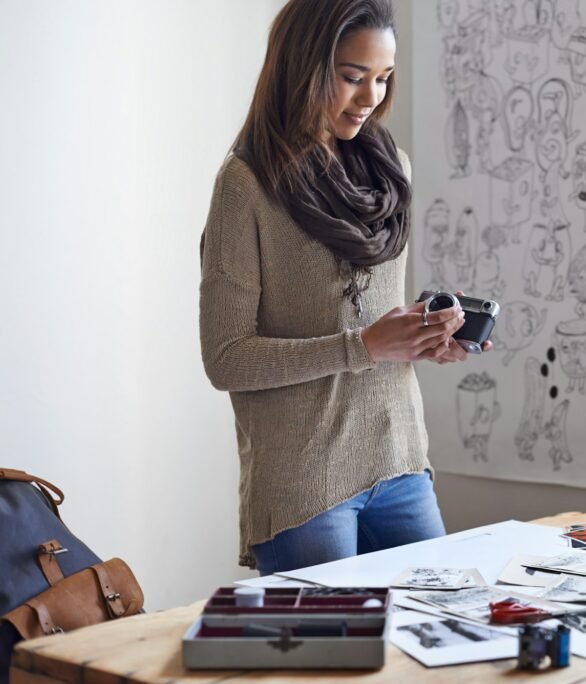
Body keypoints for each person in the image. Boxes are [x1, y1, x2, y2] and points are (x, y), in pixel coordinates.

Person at [198, 0, 488, 575]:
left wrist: (426, 339)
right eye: (353, 77)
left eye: (383, 78)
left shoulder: (390, 168)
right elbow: (226, 359)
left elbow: (376, 319)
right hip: (303, 486)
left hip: (401, 461)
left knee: (439, 646)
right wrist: (364, 347)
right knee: (327, 662)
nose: (371, 98)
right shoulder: (245, 185)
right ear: (302, 67)